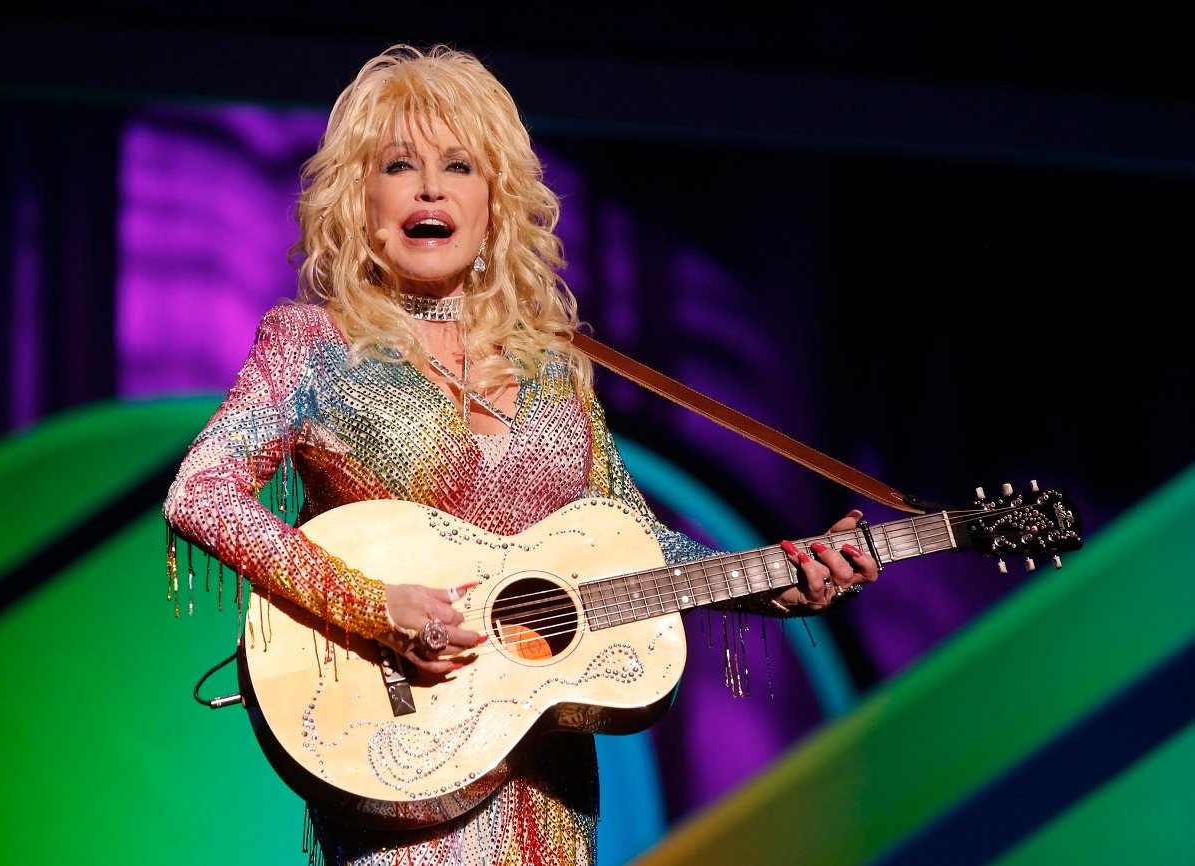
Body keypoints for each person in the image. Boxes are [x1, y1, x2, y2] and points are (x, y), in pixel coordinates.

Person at [162, 42, 878, 866]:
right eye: (400, 165)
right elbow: (201, 493)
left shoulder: (555, 363)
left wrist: (774, 579)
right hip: (403, 756)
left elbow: (630, 545)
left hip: (546, 763)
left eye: (459, 165)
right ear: (359, 199)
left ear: (496, 200)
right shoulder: (312, 347)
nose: (430, 187)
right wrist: (372, 602)